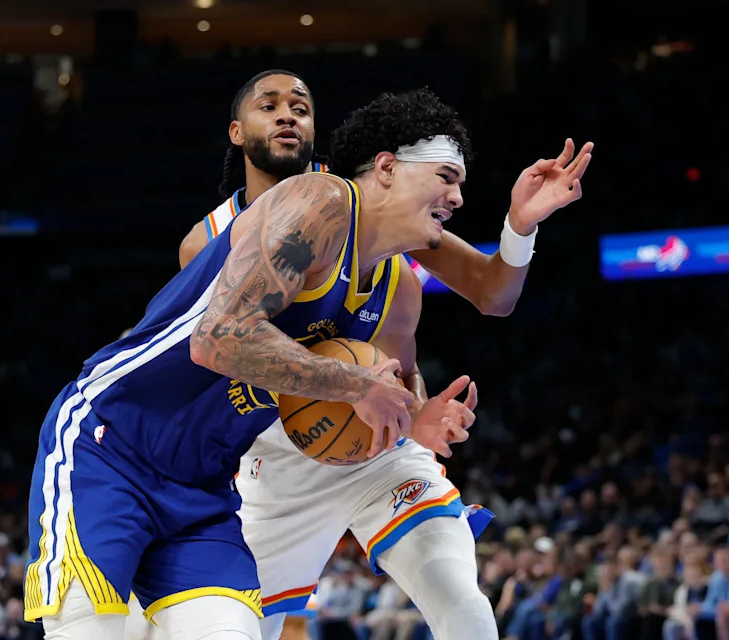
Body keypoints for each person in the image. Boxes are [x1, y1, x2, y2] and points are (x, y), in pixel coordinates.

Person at [24, 85, 483, 639]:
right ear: (386, 168)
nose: (458, 198)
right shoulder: (321, 202)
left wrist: (412, 418)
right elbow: (218, 338)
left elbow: (481, 302)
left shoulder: (386, 284)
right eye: (446, 177)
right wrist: (357, 385)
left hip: (204, 486)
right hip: (110, 446)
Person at [177, 70, 593, 640]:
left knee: (462, 603)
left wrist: (519, 227)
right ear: (236, 131)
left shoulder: (377, 224)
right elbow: (214, 354)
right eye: (268, 106)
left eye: (300, 106)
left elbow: (484, 299)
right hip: (277, 455)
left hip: (377, 447)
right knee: (234, 628)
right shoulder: (209, 242)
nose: (287, 115)